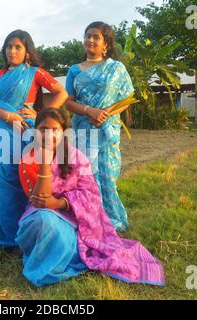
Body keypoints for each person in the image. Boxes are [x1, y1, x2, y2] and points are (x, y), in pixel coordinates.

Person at [16, 108, 165, 288]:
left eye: (54, 130)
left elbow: (90, 195)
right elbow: (40, 198)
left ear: (64, 132)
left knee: (50, 225)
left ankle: (62, 254)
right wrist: (46, 163)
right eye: (43, 129)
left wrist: (60, 203)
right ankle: (51, 252)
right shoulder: (29, 157)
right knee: (42, 220)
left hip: (73, 217)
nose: (48, 135)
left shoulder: (77, 157)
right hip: (39, 211)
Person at [0, 30, 68, 258]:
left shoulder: (34, 73)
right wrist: (8, 116)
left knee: (22, 182)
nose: (12, 51)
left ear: (27, 51)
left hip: (26, 134)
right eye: (9, 46)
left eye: (18, 47)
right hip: (3, 131)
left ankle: (20, 238)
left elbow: (61, 92)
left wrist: (40, 112)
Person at [65, 21, 134, 232]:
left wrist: (105, 114)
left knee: (107, 176)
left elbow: (127, 97)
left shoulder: (116, 68)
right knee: (87, 176)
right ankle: (90, 218)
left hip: (107, 130)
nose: (90, 40)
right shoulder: (75, 70)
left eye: (96, 37)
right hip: (84, 131)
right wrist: (89, 111)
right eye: (87, 36)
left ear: (105, 44)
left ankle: (111, 219)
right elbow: (68, 102)